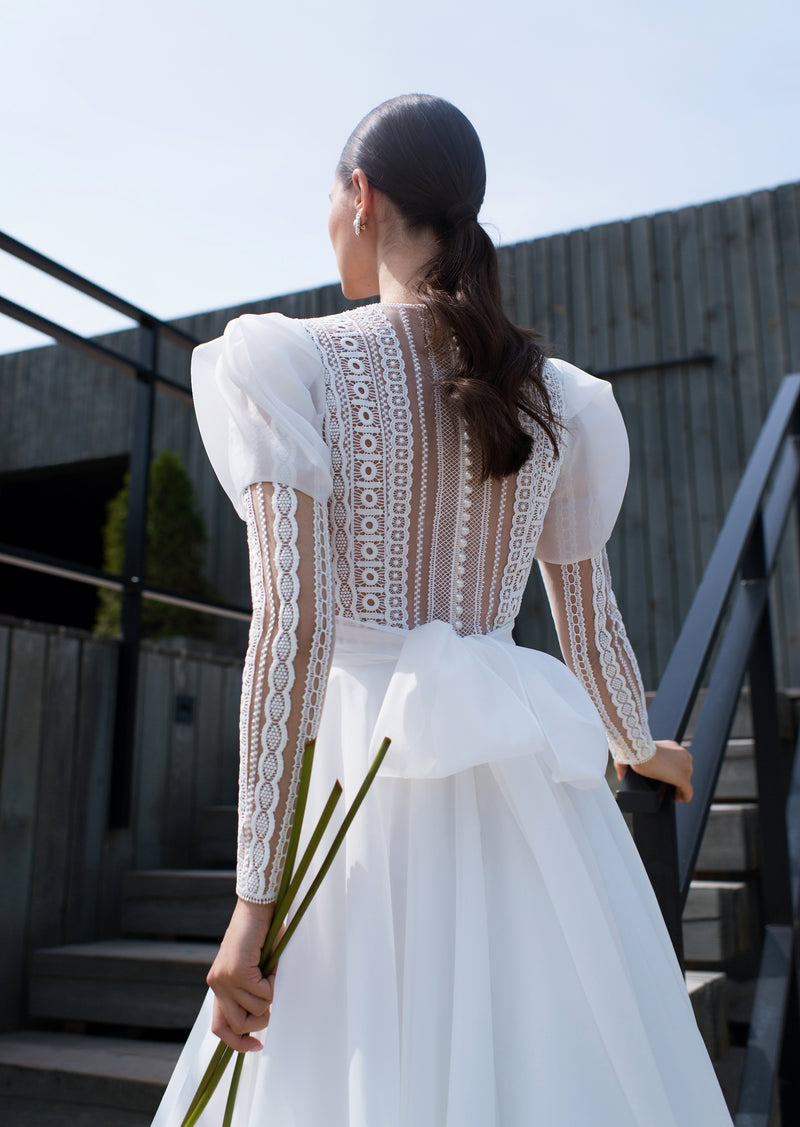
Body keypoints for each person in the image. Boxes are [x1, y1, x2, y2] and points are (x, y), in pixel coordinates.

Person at [152, 94, 733, 1125]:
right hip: (523, 791)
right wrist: (635, 742)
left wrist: (253, 901)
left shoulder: (291, 364)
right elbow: (586, 617)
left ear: (359, 196)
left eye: (328, 200)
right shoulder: (555, 398)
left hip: (357, 771)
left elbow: (293, 626)